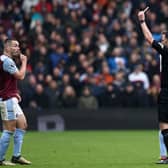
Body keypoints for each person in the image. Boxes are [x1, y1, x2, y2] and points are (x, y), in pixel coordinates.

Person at [138, 8, 168, 164]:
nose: (162, 41)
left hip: (166, 91)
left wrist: (142, 21)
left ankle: (166, 156)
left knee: (164, 126)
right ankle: (164, 156)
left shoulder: (165, 50)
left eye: (163, 39)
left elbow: (149, 38)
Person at [0, 39, 31, 165]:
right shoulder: (6, 61)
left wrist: (14, 93)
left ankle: (16, 156)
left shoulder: (6, 60)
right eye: (15, 46)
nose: (18, 48)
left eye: (18, 46)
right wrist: (24, 62)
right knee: (9, 129)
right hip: (6, 99)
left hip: (11, 97)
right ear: (7, 48)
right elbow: (20, 76)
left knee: (22, 124)